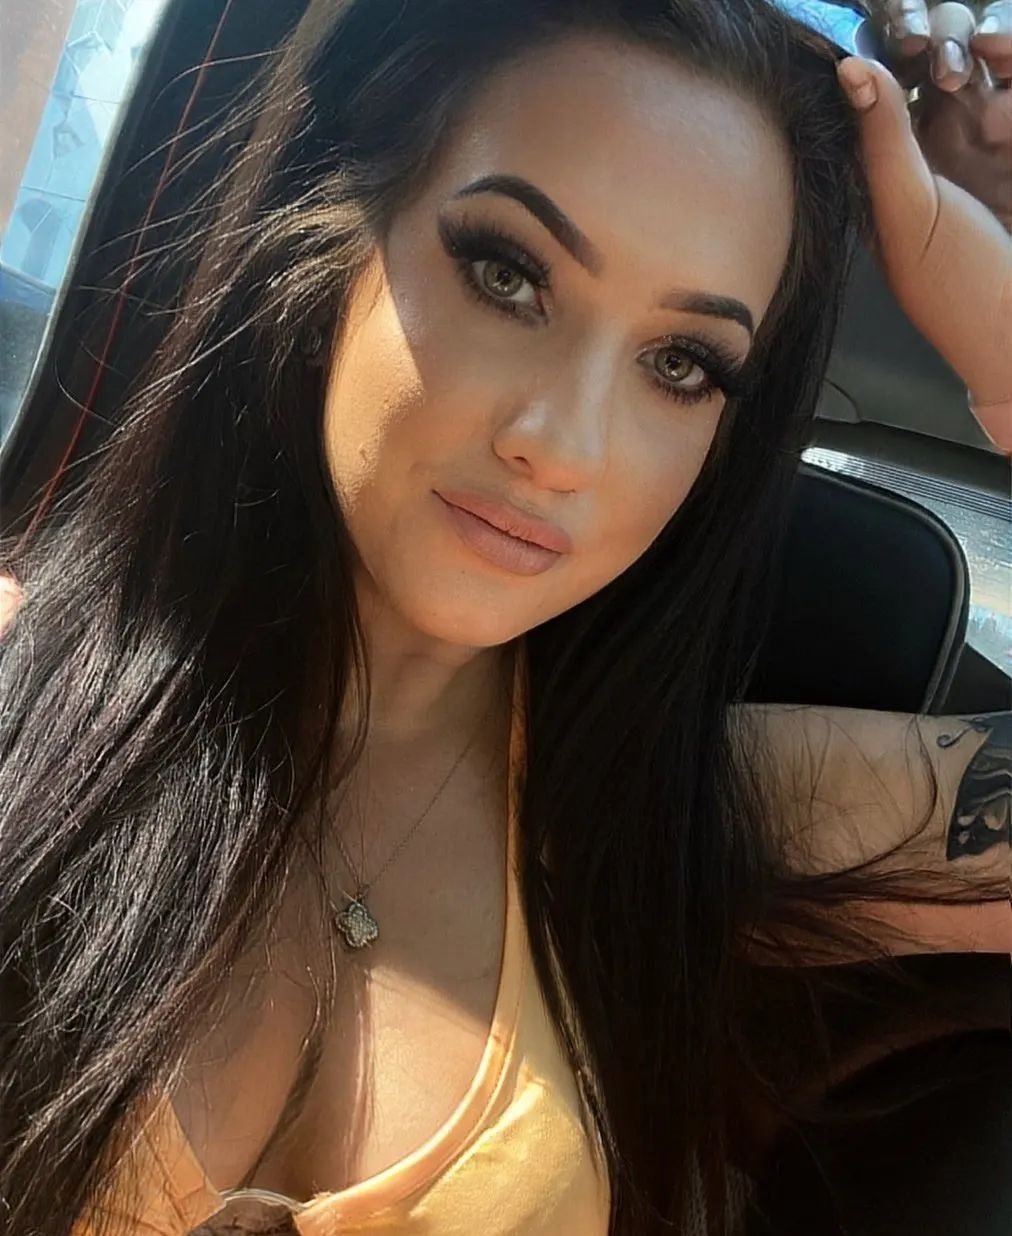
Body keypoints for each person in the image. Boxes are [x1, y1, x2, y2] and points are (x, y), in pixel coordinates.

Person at [0, 1, 1007, 1234]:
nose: (562, 446)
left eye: (681, 363)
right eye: (507, 275)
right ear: (332, 238)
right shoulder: (22, 691)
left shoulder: (671, 821)